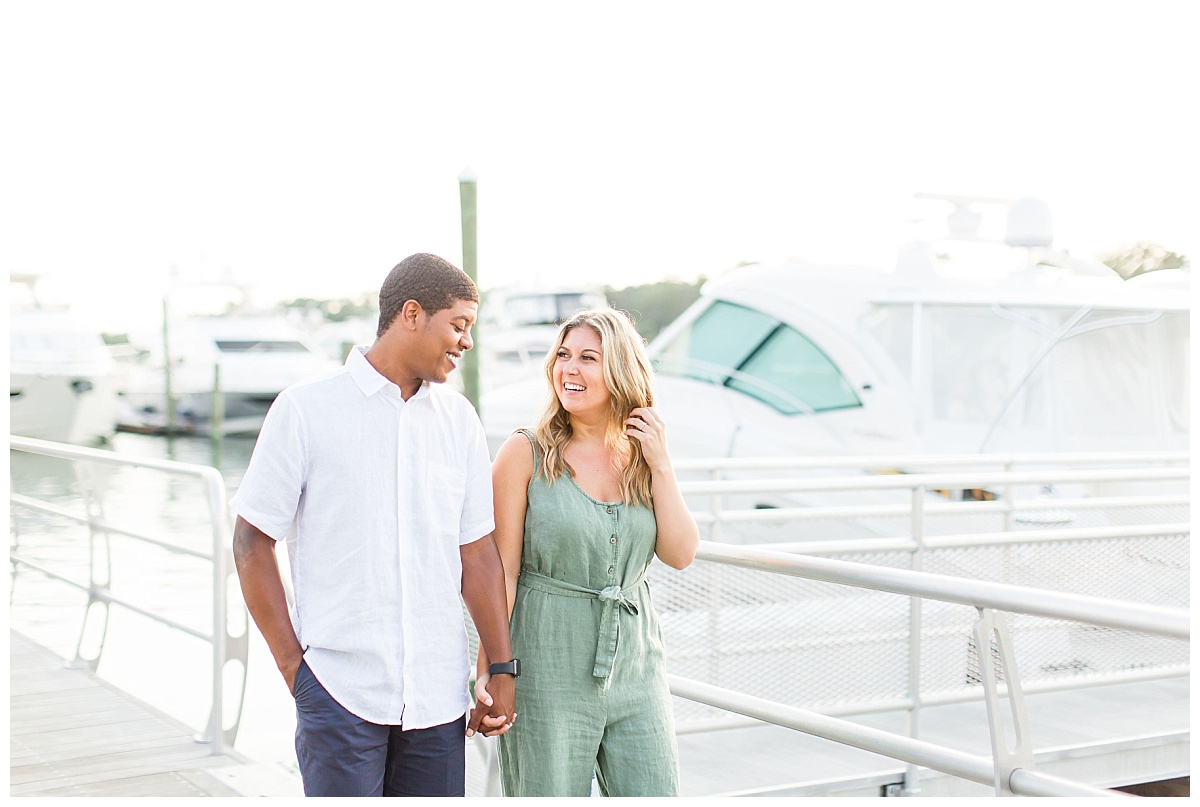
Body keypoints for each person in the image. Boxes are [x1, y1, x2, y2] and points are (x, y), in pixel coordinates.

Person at [231, 253, 517, 797]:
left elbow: (477, 554)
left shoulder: (459, 422)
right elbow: (250, 541)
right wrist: (296, 669)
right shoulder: (305, 409)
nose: (467, 342)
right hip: (340, 692)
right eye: (458, 325)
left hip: (438, 698)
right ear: (411, 314)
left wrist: (501, 668)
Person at [472, 307, 699, 797]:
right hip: (545, 668)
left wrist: (661, 463)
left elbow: (681, 554)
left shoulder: (643, 455)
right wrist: (492, 670)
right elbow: (501, 572)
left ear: (619, 369)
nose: (569, 369)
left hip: (638, 668)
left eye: (588, 358)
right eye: (563, 355)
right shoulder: (524, 453)